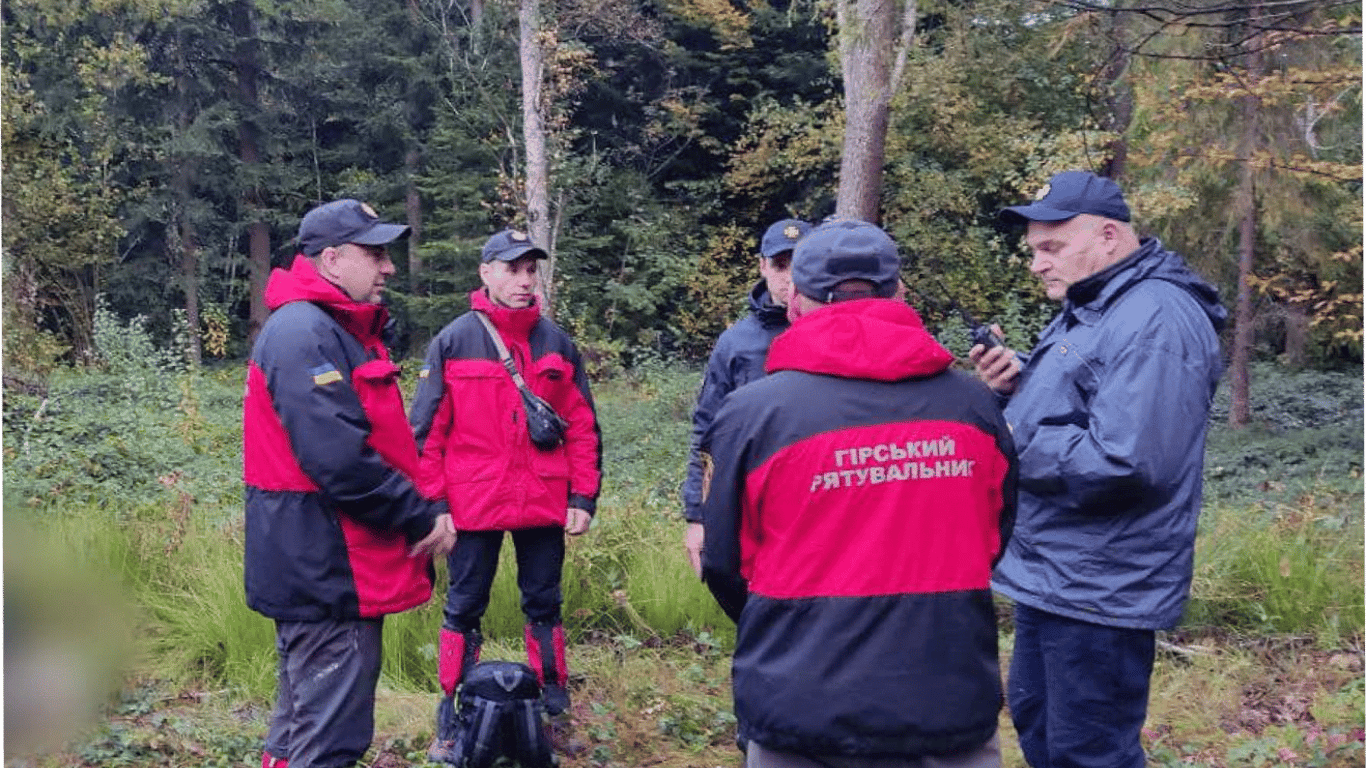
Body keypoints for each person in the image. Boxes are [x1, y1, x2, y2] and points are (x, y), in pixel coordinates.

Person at [700, 219, 1019, 768]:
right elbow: (995, 536)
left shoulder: (752, 416)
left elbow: (725, 562)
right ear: (899, 293)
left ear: (796, 301)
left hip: (799, 704)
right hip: (946, 703)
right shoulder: (976, 406)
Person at [970, 171, 1226, 768]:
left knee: (1088, 752)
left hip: (1103, 584)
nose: (1037, 264)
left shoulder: (1156, 317)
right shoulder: (1094, 303)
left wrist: (1007, 446)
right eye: (1033, 249)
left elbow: (1128, 459)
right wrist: (1015, 388)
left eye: (1050, 247)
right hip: (1057, 572)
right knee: (1040, 726)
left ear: (1108, 236)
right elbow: (1079, 407)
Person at [243, 198, 458, 768]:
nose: (388, 267)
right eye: (376, 253)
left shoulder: (326, 328)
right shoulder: (303, 333)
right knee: (329, 739)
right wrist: (420, 515)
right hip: (328, 568)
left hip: (318, 563)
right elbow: (339, 460)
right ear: (332, 259)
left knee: (298, 727)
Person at [409, 228, 602, 759]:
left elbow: (583, 425)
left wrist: (582, 498)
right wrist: (436, 506)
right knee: (464, 604)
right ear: (486, 273)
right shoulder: (453, 340)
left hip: (542, 499)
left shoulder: (557, 342)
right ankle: (455, 711)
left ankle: (550, 708)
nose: (523, 280)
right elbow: (426, 433)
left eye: (530, 270)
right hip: (474, 501)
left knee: (544, 601)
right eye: (512, 269)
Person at [682, 217, 812, 578]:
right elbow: (707, 430)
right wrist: (698, 515)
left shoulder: (840, 333)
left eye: (800, 264)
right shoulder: (736, 344)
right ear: (762, 267)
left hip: (824, 497)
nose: (790, 277)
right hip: (757, 501)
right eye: (780, 265)